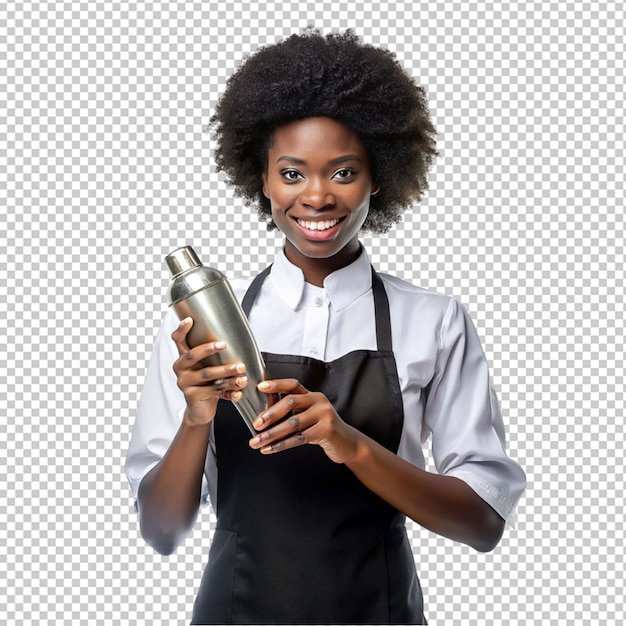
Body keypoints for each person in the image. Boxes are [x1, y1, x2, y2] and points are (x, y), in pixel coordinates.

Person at [126, 30, 526, 625]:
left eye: (343, 171)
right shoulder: (198, 330)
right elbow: (161, 533)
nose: (316, 196)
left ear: (379, 177)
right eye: (292, 173)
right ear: (261, 181)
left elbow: (482, 524)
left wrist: (350, 444)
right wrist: (197, 417)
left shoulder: (434, 321)